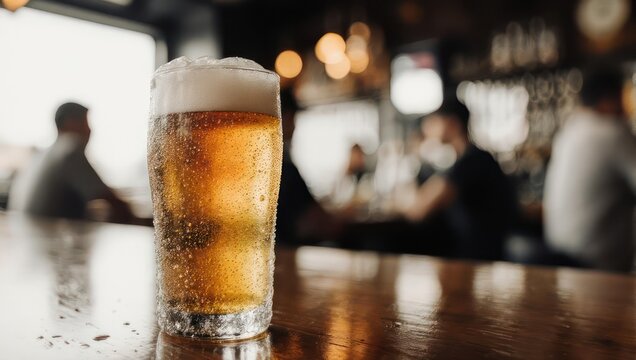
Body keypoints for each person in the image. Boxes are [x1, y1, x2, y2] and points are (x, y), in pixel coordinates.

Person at [544, 64, 636, 272]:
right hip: (597, 270)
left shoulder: (570, 130)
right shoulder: (613, 133)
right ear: (609, 100)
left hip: (560, 263)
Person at [404, 97, 518, 260]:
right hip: (475, 253)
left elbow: (419, 210)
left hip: (478, 258)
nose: (427, 128)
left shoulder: (471, 162)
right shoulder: (472, 158)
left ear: (452, 124)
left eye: (434, 122)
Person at [9, 102, 134, 223]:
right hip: (52, 240)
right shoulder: (70, 148)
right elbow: (111, 200)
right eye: (86, 123)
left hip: (31, 236)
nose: (90, 131)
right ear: (71, 124)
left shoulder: (40, 156)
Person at [276, 90, 341, 245]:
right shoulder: (285, 169)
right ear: (283, 117)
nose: (295, 126)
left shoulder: (279, 164)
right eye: (293, 118)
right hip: (288, 255)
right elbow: (317, 222)